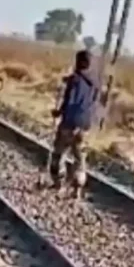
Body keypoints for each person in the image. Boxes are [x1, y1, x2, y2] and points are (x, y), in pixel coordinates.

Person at [48, 49, 99, 199]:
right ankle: (77, 189)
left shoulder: (73, 80)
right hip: (85, 126)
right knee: (80, 158)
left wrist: (58, 112)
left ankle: (58, 184)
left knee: (59, 153)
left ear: (79, 62)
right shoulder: (95, 84)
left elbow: (69, 102)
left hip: (69, 123)